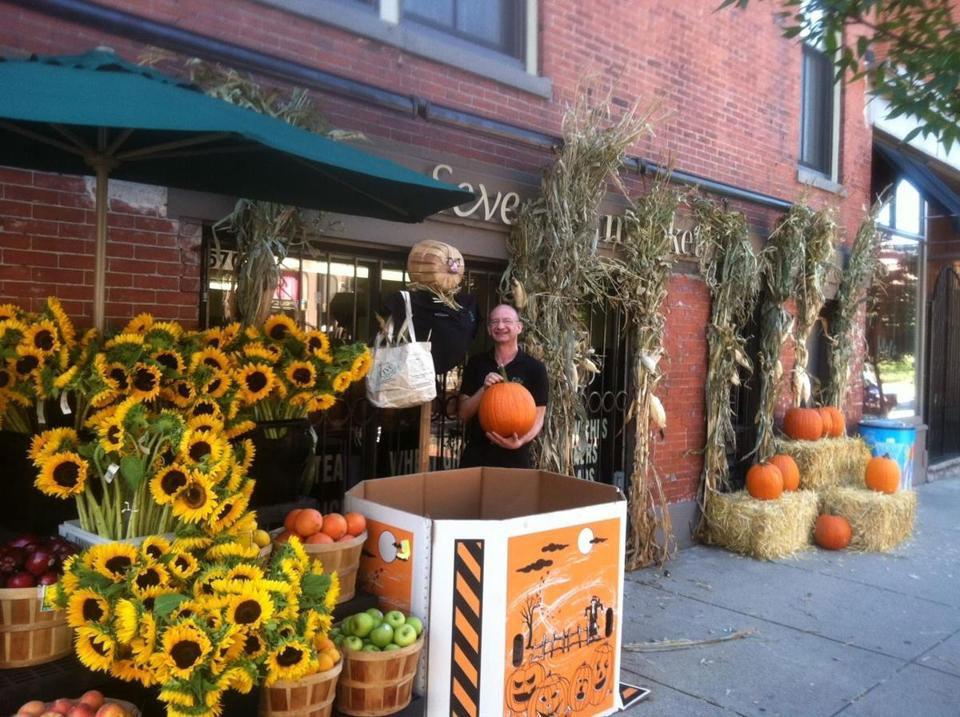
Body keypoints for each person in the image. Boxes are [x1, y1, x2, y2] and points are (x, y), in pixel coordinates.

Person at [458, 304, 548, 468]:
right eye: (494, 322)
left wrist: (520, 441)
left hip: (515, 458)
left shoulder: (534, 368)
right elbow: (463, 413)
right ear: (488, 329)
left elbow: (539, 417)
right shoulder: (476, 364)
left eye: (507, 321)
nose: (500, 326)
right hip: (477, 456)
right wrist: (483, 390)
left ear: (519, 327)